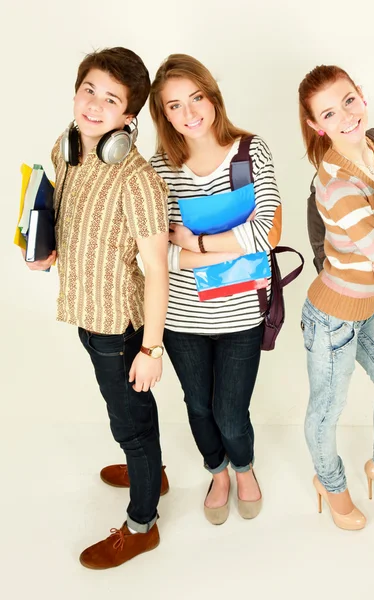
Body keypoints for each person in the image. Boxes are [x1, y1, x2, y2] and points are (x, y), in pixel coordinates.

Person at [23, 47, 170, 568]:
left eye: (112, 99)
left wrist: (151, 349)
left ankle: (142, 523)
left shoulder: (137, 179)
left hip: (119, 328)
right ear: (76, 90)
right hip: (83, 311)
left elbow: (157, 269)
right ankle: (150, 466)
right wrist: (44, 250)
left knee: (128, 419)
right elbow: (64, 213)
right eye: (90, 90)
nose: (94, 105)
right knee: (129, 414)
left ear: (128, 117)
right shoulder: (66, 151)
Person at [147, 53, 281, 524]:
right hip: (182, 319)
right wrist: (222, 251)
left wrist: (195, 241)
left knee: (230, 411)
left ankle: (244, 466)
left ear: (212, 94)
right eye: (174, 106)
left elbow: (266, 234)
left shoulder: (249, 151)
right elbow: (156, 254)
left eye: (196, 98)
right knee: (198, 407)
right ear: (163, 115)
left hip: (241, 315)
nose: (190, 113)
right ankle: (218, 471)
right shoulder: (159, 168)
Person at [298, 65, 374, 530]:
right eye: (329, 112)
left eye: (349, 100)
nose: (346, 116)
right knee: (327, 411)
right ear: (317, 126)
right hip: (331, 316)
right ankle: (330, 484)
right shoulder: (337, 185)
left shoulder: (371, 147)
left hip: (365, 307)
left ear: (361, 95)